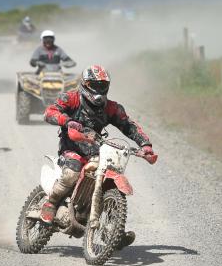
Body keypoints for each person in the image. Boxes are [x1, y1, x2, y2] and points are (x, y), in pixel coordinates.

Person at [31, 65, 155, 247]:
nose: (98, 89)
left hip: (95, 148)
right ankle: (51, 203)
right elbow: (50, 112)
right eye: (94, 85)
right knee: (72, 172)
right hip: (71, 146)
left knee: (108, 180)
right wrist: (68, 121)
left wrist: (145, 145)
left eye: (102, 85)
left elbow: (128, 125)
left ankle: (113, 231)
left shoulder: (111, 108)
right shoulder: (72, 98)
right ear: (85, 84)